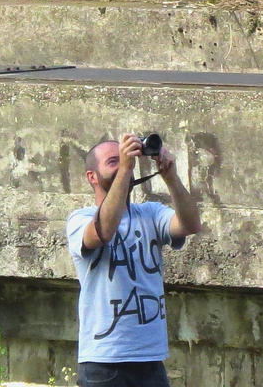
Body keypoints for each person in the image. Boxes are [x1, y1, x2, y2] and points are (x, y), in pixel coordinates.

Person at [66, 134, 203, 387]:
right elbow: (103, 231)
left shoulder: (150, 213)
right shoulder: (79, 220)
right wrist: (126, 168)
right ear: (92, 177)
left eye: (125, 159)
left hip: (151, 360)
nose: (122, 165)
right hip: (104, 362)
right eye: (112, 161)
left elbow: (191, 224)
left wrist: (170, 176)